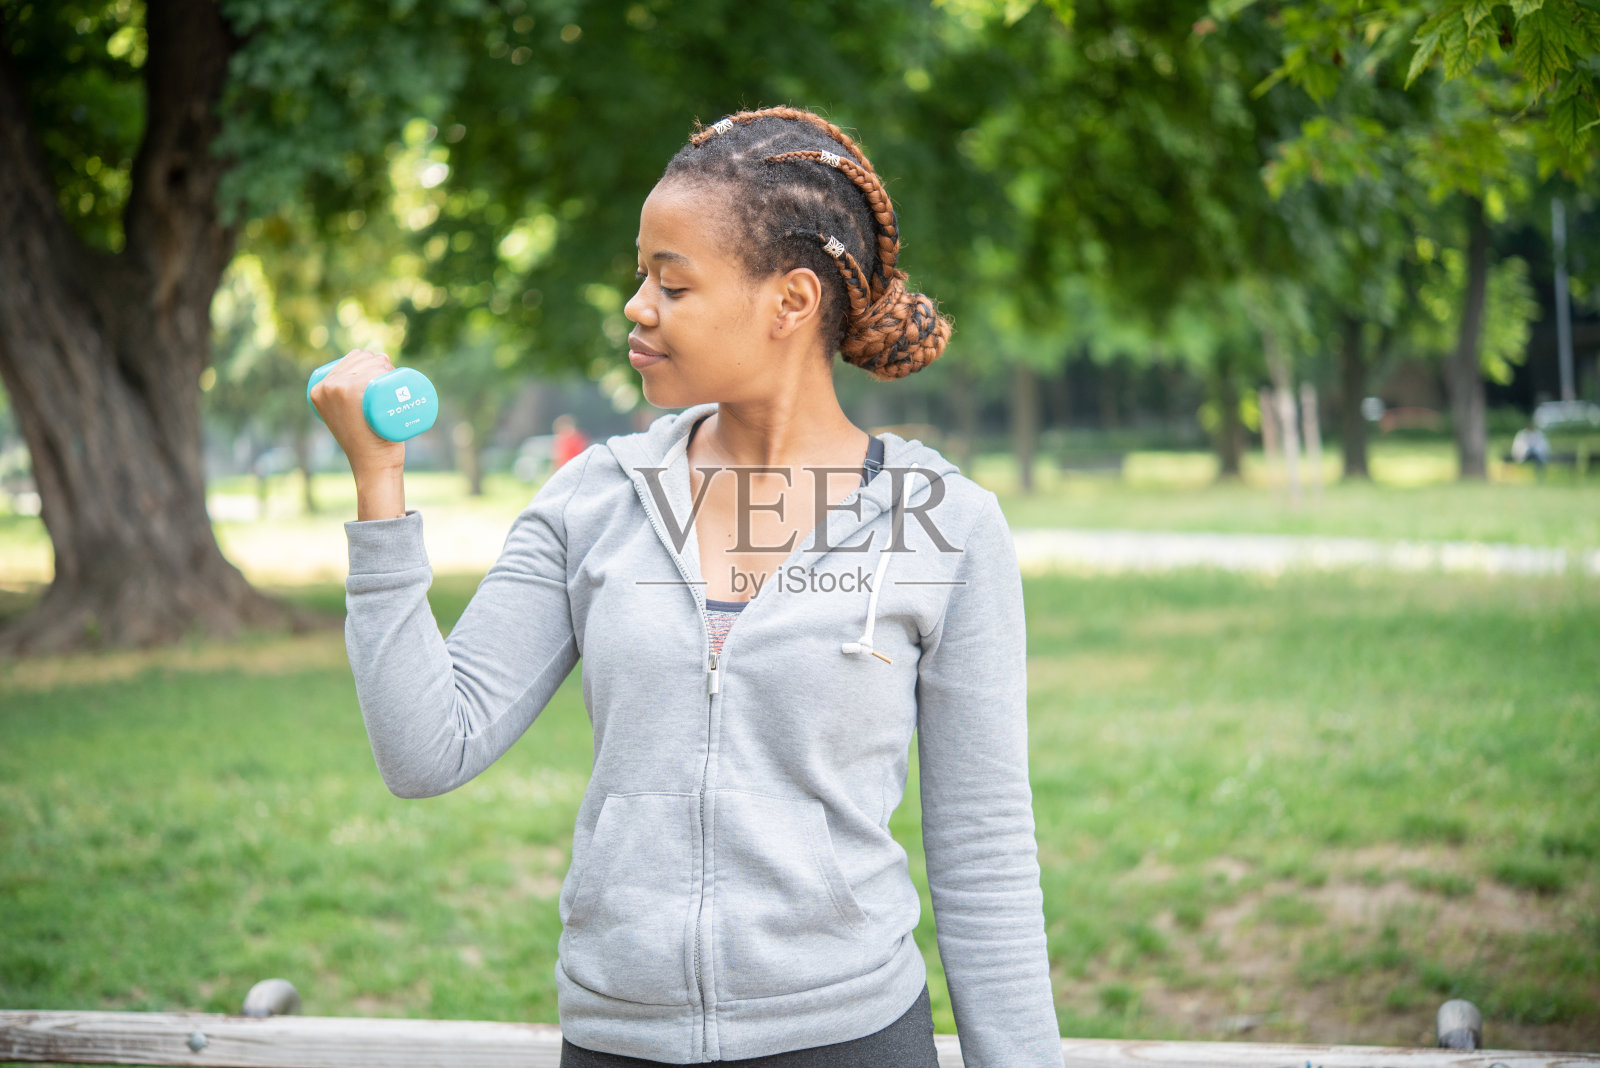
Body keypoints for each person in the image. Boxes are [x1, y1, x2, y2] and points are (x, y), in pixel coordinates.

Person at [310, 106, 1062, 1067]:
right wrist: (380, 488)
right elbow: (428, 749)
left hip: (848, 1037)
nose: (636, 304)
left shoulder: (941, 524)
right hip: (619, 1039)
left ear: (790, 301)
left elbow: (985, 857)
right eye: (640, 275)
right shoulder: (594, 499)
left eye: (671, 281)